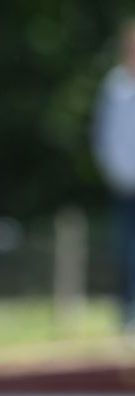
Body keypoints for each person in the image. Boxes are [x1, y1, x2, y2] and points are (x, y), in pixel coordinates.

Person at [92, 18, 135, 332]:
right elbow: (104, 135)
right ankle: (128, 311)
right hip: (122, 185)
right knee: (124, 252)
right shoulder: (114, 85)